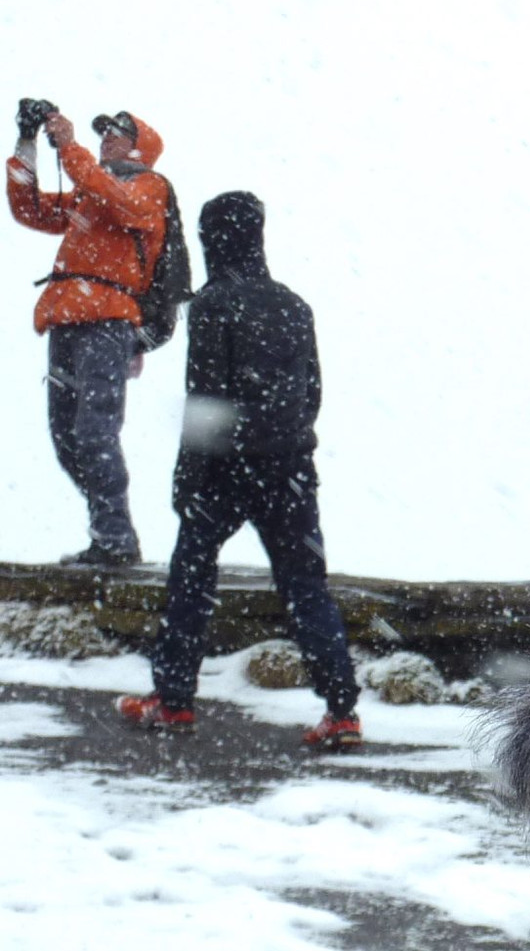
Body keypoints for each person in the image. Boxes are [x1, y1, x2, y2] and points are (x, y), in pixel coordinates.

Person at [114, 192, 363, 749]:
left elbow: (205, 398)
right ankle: (342, 710)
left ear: (213, 241)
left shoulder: (212, 304)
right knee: (306, 587)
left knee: (192, 574)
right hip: (291, 467)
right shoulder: (295, 306)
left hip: (226, 469)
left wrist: (188, 477)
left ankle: (174, 700)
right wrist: (284, 441)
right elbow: (312, 392)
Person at [6, 102, 170, 565]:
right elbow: (29, 208)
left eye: (117, 133)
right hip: (69, 319)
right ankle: (110, 531)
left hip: (106, 322)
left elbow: (116, 199)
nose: (106, 139)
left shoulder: (148, 188)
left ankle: (115, 540)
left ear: (140, 148)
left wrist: (69, 147)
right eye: (105, 133)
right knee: (68, 436)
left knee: (94, 433)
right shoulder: (91, 192)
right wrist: (27, 142)